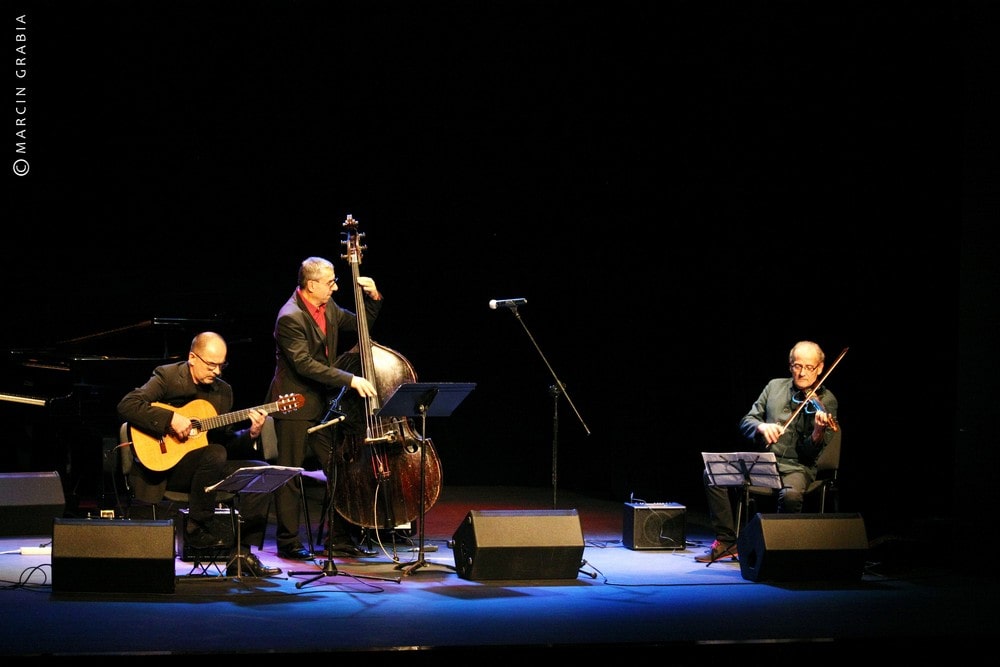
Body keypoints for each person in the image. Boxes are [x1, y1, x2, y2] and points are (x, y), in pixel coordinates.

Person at [117, 331, 282, 577]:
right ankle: (196, 527)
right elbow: (127, 405)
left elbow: (225, 441)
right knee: (214, 453)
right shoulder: (168, 376)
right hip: (168, 468)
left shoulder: (223, 391)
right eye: (211, 364)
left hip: (206, 468)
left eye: (221, 365)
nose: (217, 371)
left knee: (257, 472)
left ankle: (241, 554)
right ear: (192, 358)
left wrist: (251, 433)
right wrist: (170, 418)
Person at [267, 256, 383, 560]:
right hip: (293, 404)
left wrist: (372, 297)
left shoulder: (326, 307)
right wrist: (350, 378)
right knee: (290, 475)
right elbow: (305, 365)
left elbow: (361, 326)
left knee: (339, 468)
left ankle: (340, 540)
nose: (335, 286)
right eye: (330, 281)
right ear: (311, 284)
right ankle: (288, 542)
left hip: (323, 404)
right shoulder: (289, 317)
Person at [696, 340, 839, 563]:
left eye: (808, 367)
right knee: (713, 473)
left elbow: (810, 454)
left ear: (820, 368)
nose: (801, 373)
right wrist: (761, 426)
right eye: (796, 366)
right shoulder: (774, 387)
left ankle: (779, 551)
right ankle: (726, 540)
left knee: (791, 496)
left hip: (797, 467)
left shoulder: (826, 401)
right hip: (764, 462)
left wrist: (817, 433)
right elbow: (747, 420)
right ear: (790, 365)